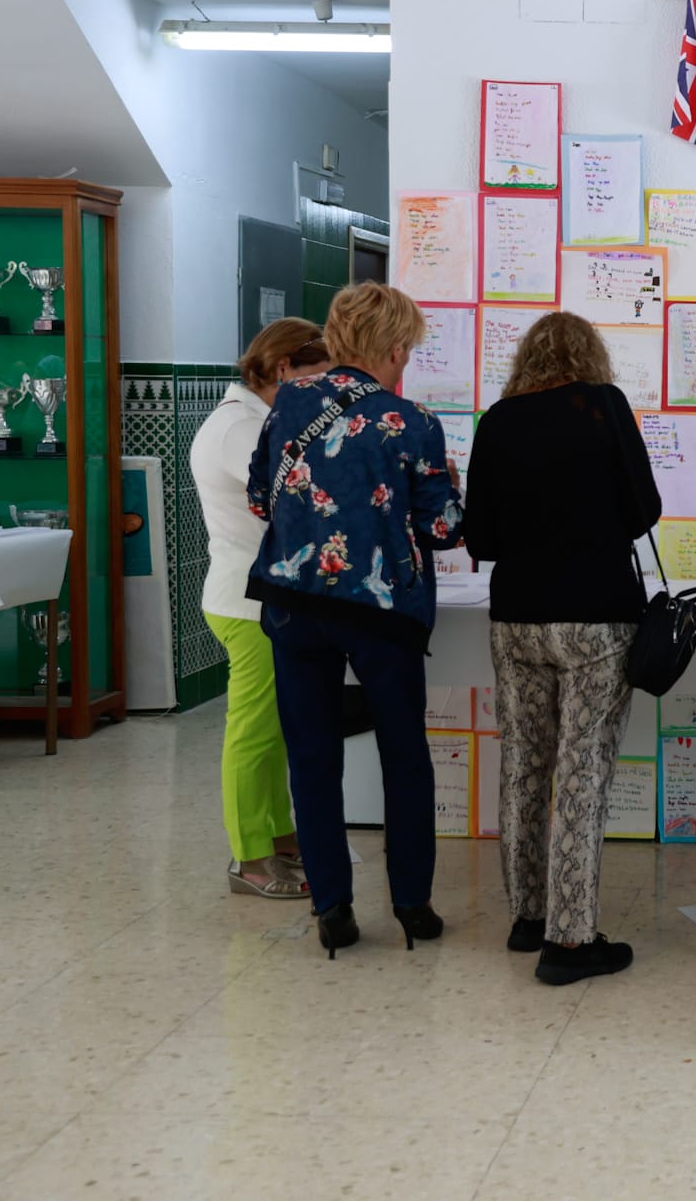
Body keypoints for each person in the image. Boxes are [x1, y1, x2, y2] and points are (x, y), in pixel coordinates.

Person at [246, 282, 463, 959]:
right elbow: (443, 527)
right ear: (395, 348)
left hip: (295, 606)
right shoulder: (411, 422)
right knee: (404, 755)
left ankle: (333, 908)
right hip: (381, 613)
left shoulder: (286, 406)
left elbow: (259, 498)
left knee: (312, 757)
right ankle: (411, 904)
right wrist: (449, 488)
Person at [463, 313, 662, 985]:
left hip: (516, 617)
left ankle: (528, 916)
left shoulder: (497, 420)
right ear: (591, 354)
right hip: (595, 621)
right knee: (581, 775)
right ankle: (570, 942)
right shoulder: (603, 406)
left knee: (522, 762)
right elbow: (645, 512)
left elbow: (480, 537)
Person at [189, 317, 330, 898]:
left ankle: (277, 836)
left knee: (274, 728)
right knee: (252, 730)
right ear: (281, 371)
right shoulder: (238, 428)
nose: (324, 392)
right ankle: (248, 858)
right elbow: (293, 499)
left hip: (264, 596)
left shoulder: (260, 419)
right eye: (316, 379)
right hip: (245, 603)